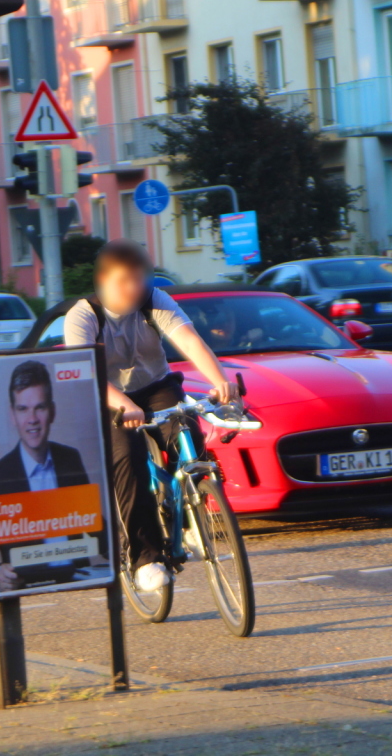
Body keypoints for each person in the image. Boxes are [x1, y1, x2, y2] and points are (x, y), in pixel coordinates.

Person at [60, 239, 239, 593]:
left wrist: (219, 379)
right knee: (128, 459)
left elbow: (189, 342)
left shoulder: (154, 300)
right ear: (104, 280)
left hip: (156, 386)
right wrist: (123, 404)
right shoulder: (82, 316)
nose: (133, 288)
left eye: (139, 279)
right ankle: (144, 558)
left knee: (188, 431)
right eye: (124, 281)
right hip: (108, 396)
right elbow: (86, 371)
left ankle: (193, 521)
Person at [0, 359, 91, 592]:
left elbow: (94, 528)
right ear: (12, 414)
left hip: (77, 582)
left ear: (51, 411)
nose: (32, 419)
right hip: (25, 583)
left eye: (39, 408)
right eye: (23, 409)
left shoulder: (71, 459)